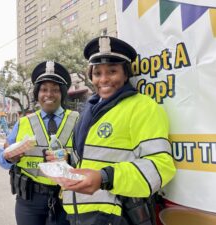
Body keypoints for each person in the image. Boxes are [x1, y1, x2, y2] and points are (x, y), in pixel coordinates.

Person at [50, 36, 176, 225]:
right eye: (97, 73)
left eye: (112, 71)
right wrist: (65, 160)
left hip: (118, 216)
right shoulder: (89, 109)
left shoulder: (144, 107)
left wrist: (105, 177)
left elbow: (161, 167)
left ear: (126, 74)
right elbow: (89, 157)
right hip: (79, 214)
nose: (104, 79)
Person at [0, 61, 79, 225]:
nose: (49, 94)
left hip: (67, 198)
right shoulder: (23, 122)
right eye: (44, 89)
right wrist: (9, 157)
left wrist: (70, 160)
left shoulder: (78, 120)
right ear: (37, 93)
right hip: (29, 201)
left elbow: (89, 158)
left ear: (62, 93)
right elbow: (1, 158)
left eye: (55, 90)